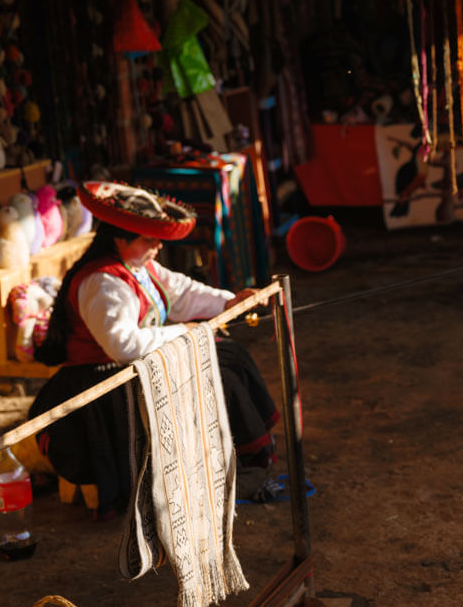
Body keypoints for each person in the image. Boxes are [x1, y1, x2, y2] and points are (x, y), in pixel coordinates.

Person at [30, 181, 281, 517]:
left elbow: (182, 293)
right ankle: (236, 465)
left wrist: (230, 301)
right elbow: (122, 346)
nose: (158, 246)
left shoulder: (139, 267)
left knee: (229, 355)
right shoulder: (101, 282)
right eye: (150, 239)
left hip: (131, 366)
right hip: (104, 383)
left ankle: (246, 457)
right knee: (216, 374)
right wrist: (186, 333)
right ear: (120, 238)